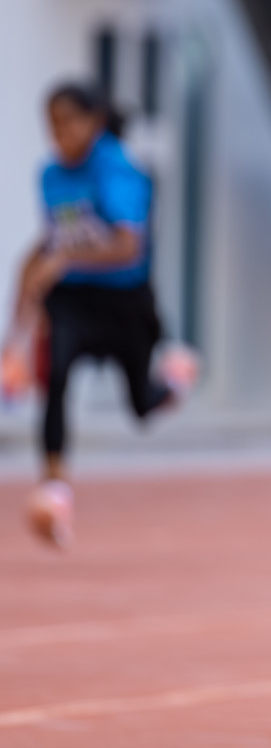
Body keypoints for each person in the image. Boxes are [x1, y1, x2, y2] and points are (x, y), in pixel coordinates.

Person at [1, 84, 192, 549]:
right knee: (57, 378)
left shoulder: (120, 170)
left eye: (68, 123)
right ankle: (54, 490)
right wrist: (17, 328)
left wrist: (66, 259)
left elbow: (128, 247)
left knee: (141, 407)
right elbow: (50, 242)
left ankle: (174, 382)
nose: (58, 134)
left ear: (94, 124)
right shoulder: (50, 175)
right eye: (51, 124)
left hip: (125, 304)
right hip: (73, 300)